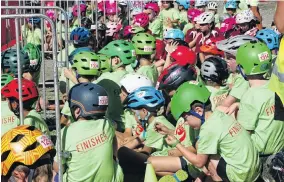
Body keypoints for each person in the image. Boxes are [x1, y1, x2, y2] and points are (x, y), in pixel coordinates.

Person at [169, 81, 261, 181]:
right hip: (256, 168)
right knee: (205, 148)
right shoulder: (220, 114)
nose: (186, 123)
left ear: (198, 110)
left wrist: (177, 144)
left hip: (242, 176)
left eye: (186, 118)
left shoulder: (207, 129)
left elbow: (199, 163)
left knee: (206, 157)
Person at [227, 41, 284, 181]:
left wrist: (232, 119)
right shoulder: (276, 86)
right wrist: (239, 105)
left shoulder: (250, 96)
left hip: (262, 156)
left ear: (242, 68)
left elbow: (244, 135)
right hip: (280, 149)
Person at [53, 83, 123, 182]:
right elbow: (114, 126)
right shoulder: (107, 125)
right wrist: (114, 158)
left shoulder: (65, 133)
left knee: (54, 174)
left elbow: (58, 168)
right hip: (112, 179)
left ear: (77, 111)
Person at [98, 40, 136, 132]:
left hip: (113, 124)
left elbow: (87, 89)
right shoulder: (135, 76)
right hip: (131, 125)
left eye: (108, 58)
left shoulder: (106, 77)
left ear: (116, 60)